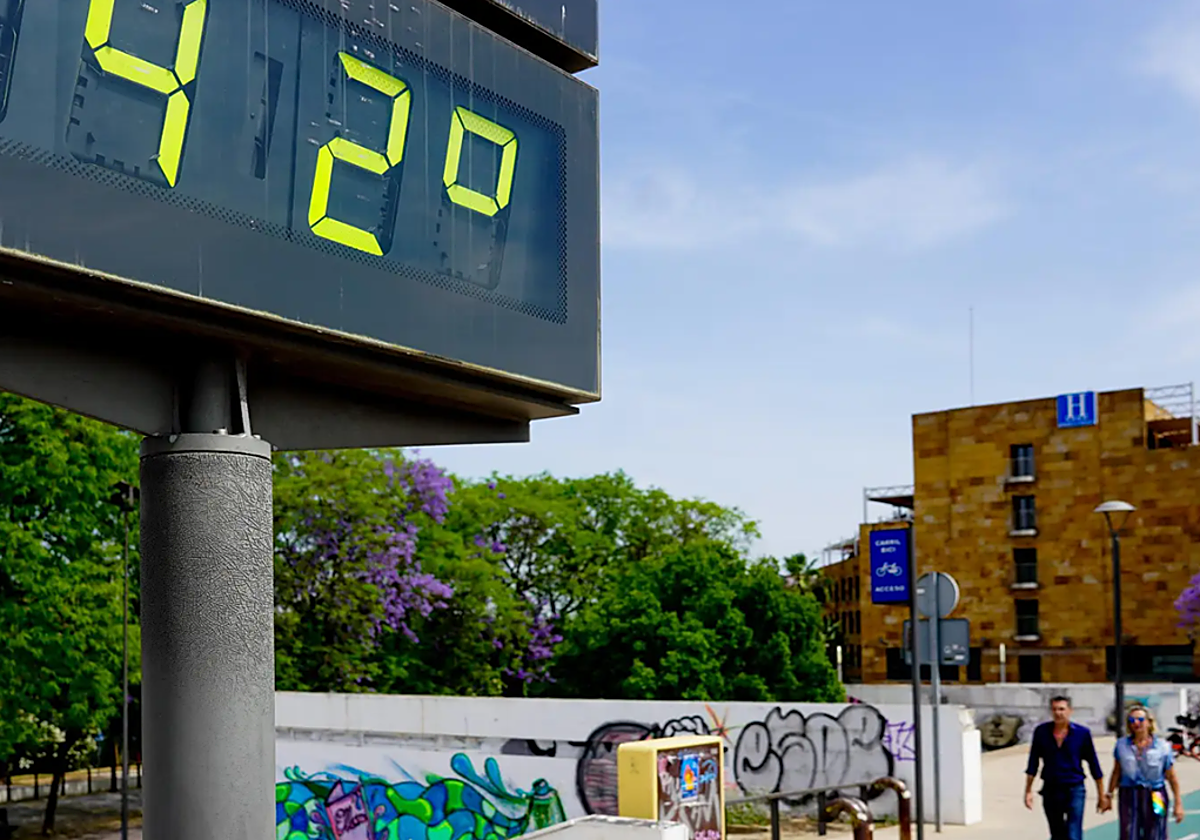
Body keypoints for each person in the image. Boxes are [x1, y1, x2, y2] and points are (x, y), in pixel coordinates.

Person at [1024, 695, 1105, 840]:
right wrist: (1028, 791)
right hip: (1051, 788)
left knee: (1073, 833)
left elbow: (1094, 764)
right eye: (1055, 709)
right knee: (1057, 833)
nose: (1058, 713)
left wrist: (1101, 794)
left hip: (1074, 788)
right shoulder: (1041, 732)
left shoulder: (1082, 734)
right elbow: (1033, 763)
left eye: (1062, 709)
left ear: (1070, 711)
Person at [1101, 705, 1185, 839]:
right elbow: (1117, 771)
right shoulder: (1122, 745)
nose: (1136, 723)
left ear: (1149, 722)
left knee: (1156, 832)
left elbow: (1171, 776)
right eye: (1132, 720)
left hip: (1156, 794)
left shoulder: (1162, 746)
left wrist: (1178, 804)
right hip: (1129, 794)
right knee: (1129, 833)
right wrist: (1109, 795)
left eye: (1140, 719)